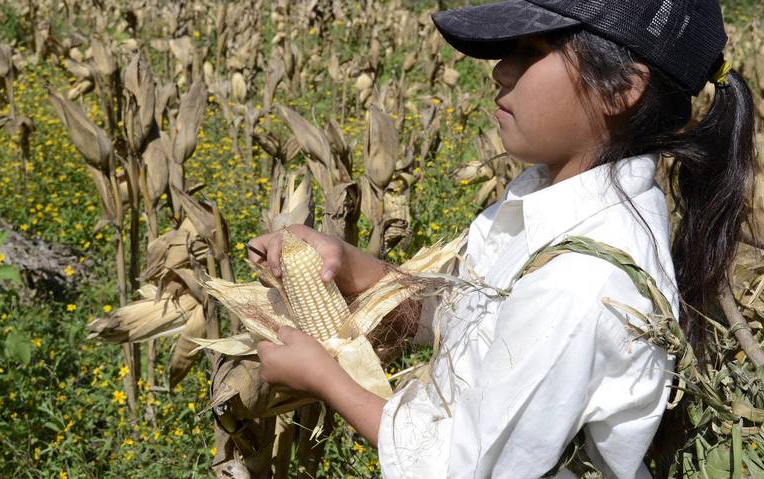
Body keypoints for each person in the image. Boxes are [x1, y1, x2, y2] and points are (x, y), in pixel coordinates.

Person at [247, 0, 757, 477]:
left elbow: (464, 465)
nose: (499, 71)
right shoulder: (545, 205)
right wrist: (355, 268)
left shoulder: (582, 282)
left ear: (622, 88)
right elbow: (470, 321)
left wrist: (324, 380)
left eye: (531, 51)